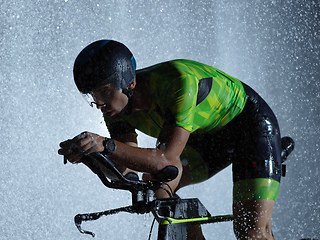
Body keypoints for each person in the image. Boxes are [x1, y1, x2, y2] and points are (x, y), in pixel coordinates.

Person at [59, 39, 283, 240]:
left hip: (250, 128)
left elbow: (166, 159)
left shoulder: (177, 82)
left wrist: (105, 145)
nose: (99, 104)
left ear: (130, 84)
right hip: (204, 136)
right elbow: (125, 167)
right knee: (156, 188)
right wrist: (91, 155)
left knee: (251, 233)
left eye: (105, 92)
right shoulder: (115, 109)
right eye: (92, 96)